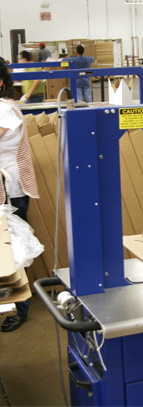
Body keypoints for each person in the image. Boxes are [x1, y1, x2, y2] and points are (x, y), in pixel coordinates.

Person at [0, 57, 39, 332]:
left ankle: (19, 307)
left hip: (10, 191)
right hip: (6, 187)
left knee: (14, 249)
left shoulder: (5, 109)